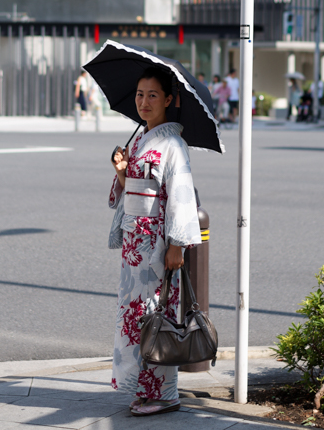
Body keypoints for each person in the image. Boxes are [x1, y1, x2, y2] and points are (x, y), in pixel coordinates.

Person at [107, 66, 201, 417]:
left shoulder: (173, 144)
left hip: (158, 244)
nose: (144, 102)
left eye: (152, 96)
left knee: (156, 316)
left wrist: (177, 243)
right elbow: (132, 189)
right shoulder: (141, 139)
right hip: (136, 245)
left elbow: (179, 194)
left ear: (169, 100)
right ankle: (142, 389)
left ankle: (163, 392)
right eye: (139, 95)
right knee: (135, 316)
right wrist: (122, 171)